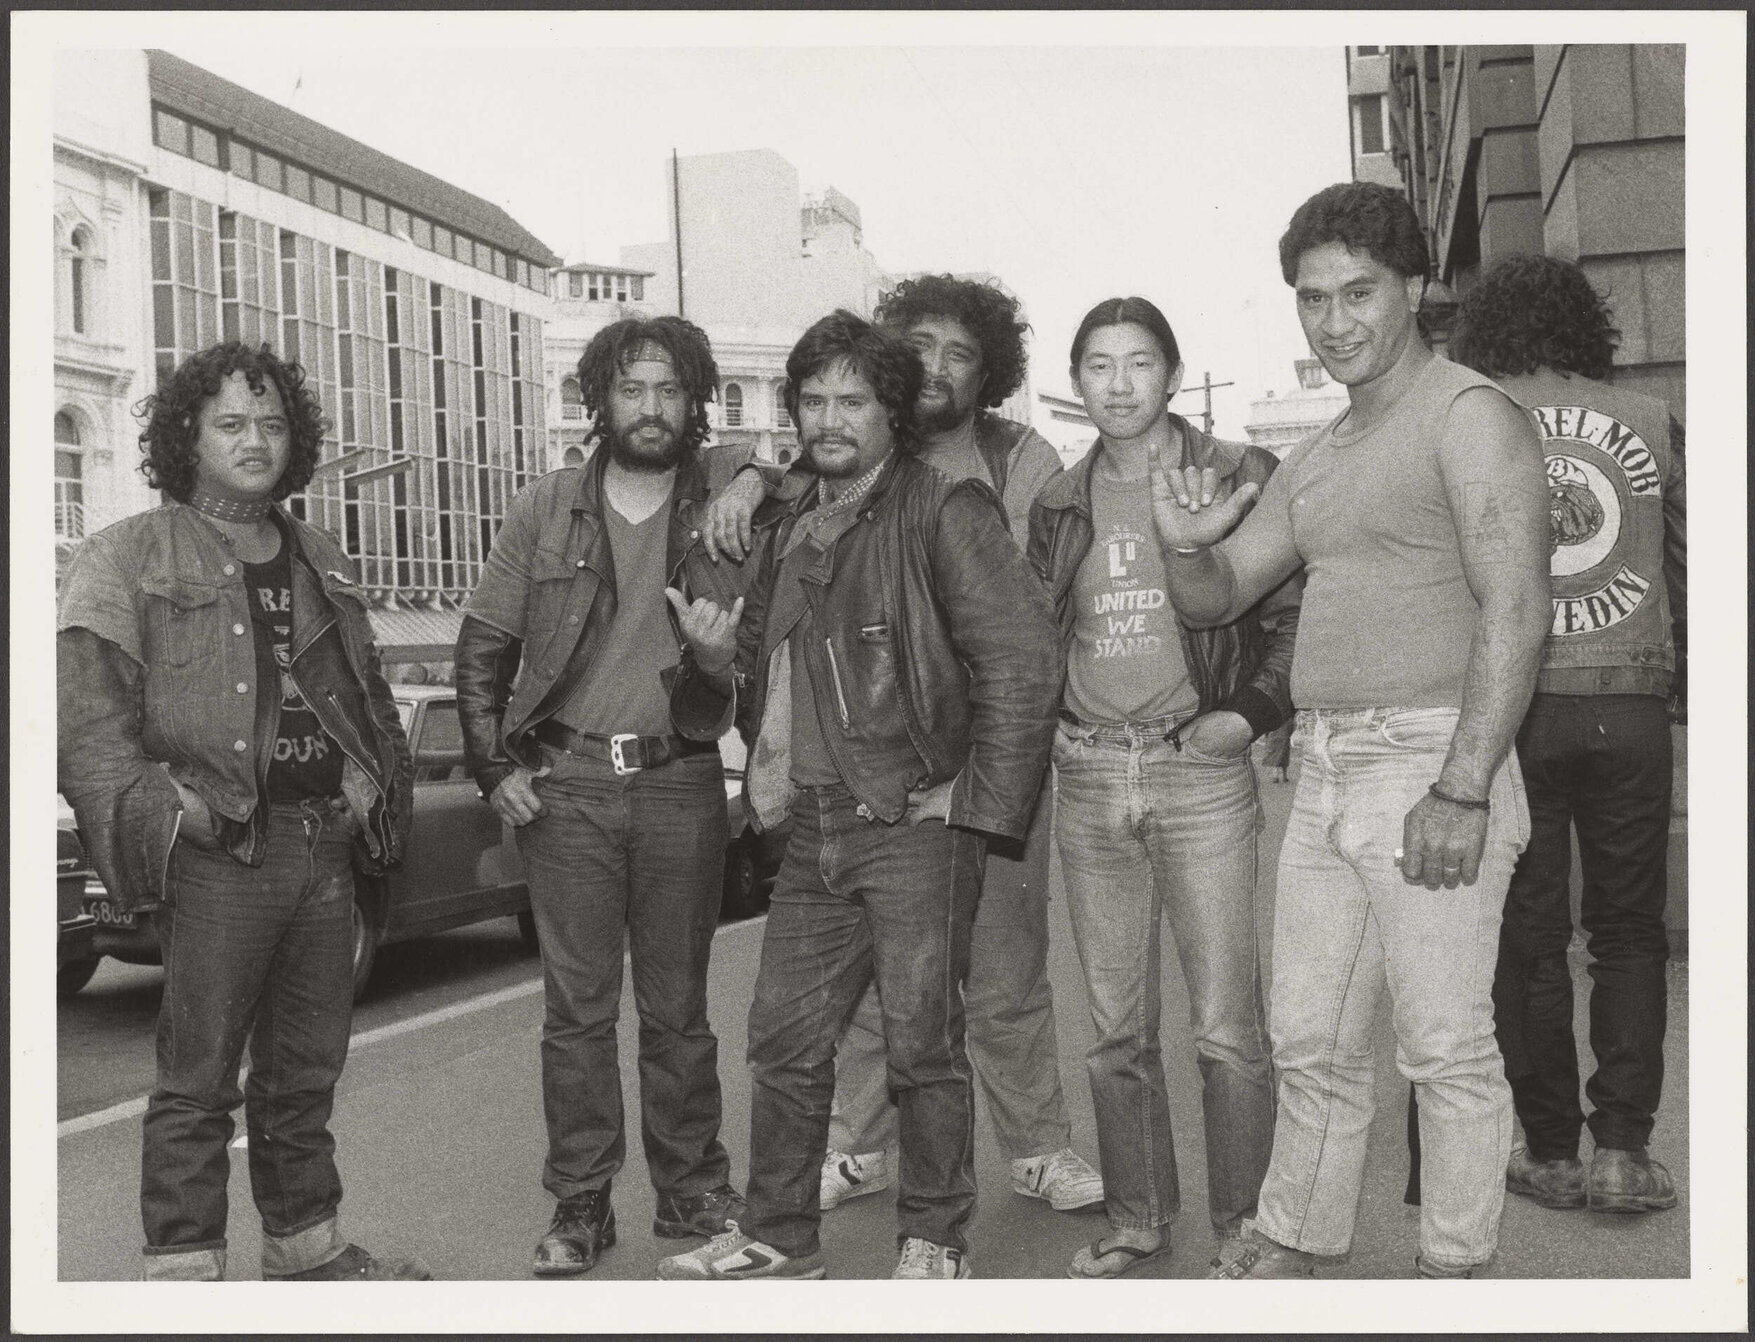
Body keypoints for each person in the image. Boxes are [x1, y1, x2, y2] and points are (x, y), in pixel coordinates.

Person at [1167, 182, 1551, 1280]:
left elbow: (1518, 606)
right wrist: (1187, 544)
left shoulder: (1468, 415)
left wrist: (1465, 783)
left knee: (1445, 1047)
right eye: (1311, 299)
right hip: (1327, 769)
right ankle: (1297, 1232)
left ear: (1418, 289)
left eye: (1358, 293)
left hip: (1432, 759)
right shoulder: (1324, 450)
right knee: (1310, 1037)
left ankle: (1456, 1273)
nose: (1334, 322)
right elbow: (1221, 592)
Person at [656, 310, 1061, 1280]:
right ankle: (781, 1239)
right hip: (811, 826)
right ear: (794, 409)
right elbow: (737, 684)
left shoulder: (942, 507)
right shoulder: (790, 524)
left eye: (854, 400)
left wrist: (975, 801)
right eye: (815, 399)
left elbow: (1024, 663)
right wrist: (710, 662)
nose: (831, 418)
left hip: (912, 822)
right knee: (785, 1042)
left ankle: (935, 1238)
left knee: (925, 1043)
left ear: (892, 413)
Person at [57, 342, 423, 1281]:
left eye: (270, 423)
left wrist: (370, 783)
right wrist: (170, 814)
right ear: (186, 436)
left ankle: (306, 1252)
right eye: (229, 423)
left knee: (304, 1074)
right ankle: (183, 1278)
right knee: (197, 1085)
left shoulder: (320, 555)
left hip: (320, 852)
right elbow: (86, 726)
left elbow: (372, 697)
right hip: (218, 856)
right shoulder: (123, 555)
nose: (254, 440)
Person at [454, 316, 748, 1277]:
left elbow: (787, 472)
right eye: (633, 389)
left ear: (692, 401)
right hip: (569, 787)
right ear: (600, 399)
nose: (651, 408)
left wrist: (750, 475)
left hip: (681, 781)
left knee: (678, 1011)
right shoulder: (546, 507)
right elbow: (484, 646)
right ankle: (581, 1201)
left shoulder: (721, 501)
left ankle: (692, 1189)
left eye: (669, 390)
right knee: (576, 1013)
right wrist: (496, 768)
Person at [1026, 297, 1299, 1277]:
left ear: (1172, 375)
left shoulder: (1236, 474)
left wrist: (1251, 713)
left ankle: (1247, 1223)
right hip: (1091, 765)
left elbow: (1294, 611)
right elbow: (1034, 639)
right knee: (1113, 1024)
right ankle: (1140, 1214)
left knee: (1228, 1024)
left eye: (1139, 363)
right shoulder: (1060, 501)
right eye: (1097, 365)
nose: (1119, 383)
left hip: (1199, 768)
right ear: (1079, 379)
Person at [1449, 254, 1686, 1215]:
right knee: (1629, 933)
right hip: (1630, 700)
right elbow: (1686, 558)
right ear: (1584, 327)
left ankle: (1547, 1149)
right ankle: (1622, 1151)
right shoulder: (1648, 417)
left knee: (1529, 935)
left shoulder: (1473, 413)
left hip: (1518, 705)